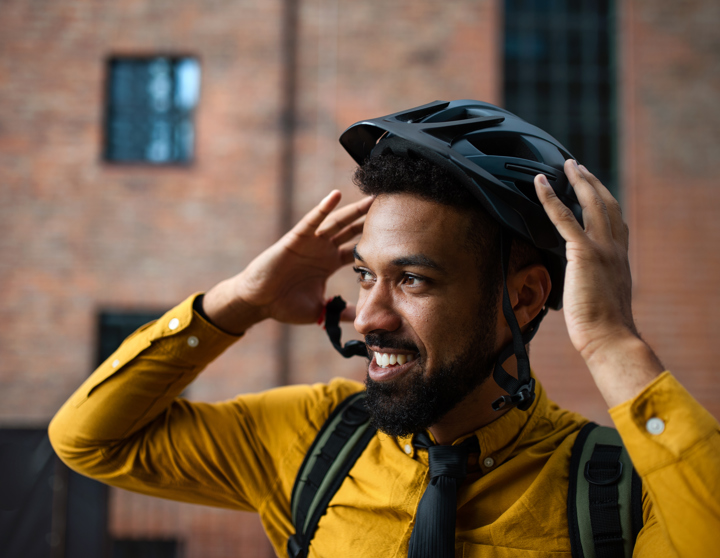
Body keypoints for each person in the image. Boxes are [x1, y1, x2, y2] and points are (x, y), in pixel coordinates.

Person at [50, 100, 719, 556]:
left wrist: (611, 343)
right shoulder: (313, 438)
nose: (368, 317)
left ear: (523, 300)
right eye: (365, 275)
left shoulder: (623, 490)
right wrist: (241, 300)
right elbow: (91, 441)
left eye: (414, 280)